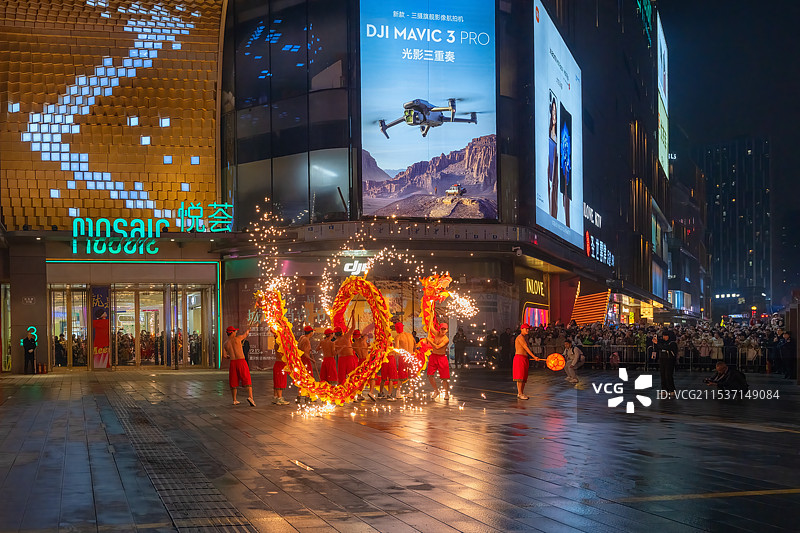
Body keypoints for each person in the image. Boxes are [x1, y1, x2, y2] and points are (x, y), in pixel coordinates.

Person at [223, 326, 255, 406]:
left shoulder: (226, 344)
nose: (236, 332)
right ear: (232, 332)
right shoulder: (238, 338)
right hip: (241, 361)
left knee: (233, 380)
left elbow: (224, 356)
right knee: (247, 378)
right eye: (235, 331)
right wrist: (248, 330)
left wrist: (230, 356)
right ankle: (250, 397)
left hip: (233, 363)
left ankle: (234, 400)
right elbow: (245, 334)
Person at [513, 324, 541, 399]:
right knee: (520, 376)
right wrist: (534, 356)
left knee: (524, 376)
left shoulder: (525, 337)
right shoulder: (520, 337)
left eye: (528, 329)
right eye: (526, 329)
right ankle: (520, 393)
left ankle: (521, 393)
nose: (528, 330)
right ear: (522, 329)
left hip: (524, 358)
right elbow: (525, 347)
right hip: (520, 358)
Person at [427, 322, 451, 400]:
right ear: (439, 329)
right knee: (429, 375)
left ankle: (446, 393)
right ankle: (436, 391)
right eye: (442, 329)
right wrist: (430, 316)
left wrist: (430, 341)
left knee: (444, 378)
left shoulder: (446, 339)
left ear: (447, 330)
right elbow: (430, 327)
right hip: (433, 356)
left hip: (442, 358)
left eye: (445, 329)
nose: (443, 330)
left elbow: (437, 347)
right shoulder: (437, 333)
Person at [392, 322, 416, 399]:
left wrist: (391, 350)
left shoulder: (398, 337)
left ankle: (398, 392)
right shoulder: (410, 335)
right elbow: (415, 345)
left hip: (404, 357)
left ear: (396, 329)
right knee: (411, 375)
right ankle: (411, 392)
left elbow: (397, 348)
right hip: (411, 356)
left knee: (401, 374)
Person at [653, 329, 678, 397]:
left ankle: (672, 390)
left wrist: (657, 343)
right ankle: (664, 390)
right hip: (662, 359)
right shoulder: (662, 342)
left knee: (668, 375)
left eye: (665, 336)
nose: (664, 337)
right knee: (663, 375)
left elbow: (666, 348)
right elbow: (658, 348)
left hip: (669, 360)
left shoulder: (672, 343)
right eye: (663, 335)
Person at [335, 323, 358, 393]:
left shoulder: (337, 341)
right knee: (350, 376)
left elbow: (335, 353)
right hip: (346, 359)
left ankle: (343, 391)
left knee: (345, 377)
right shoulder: (344, 337)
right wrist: (353, 317)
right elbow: (353, 327)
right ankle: (349, 391)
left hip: (344, 359)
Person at [297, 325, 315, 403]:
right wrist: (311, 360)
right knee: (308, 378)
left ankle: (299, 396)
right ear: (310, 333)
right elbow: (304, 353)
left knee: (302, 378)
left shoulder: (302, 337)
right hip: (305, 360)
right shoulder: (306, 340)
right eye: (312, 332)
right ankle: (308, 396)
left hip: (301, 360)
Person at [271, 339, 290, 406]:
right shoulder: (279, 344)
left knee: (277, 381)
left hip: (279, 364)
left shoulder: (277, 344)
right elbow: (281, 356)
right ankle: (279, 398)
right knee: (280, 381)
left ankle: (275, 397)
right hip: (280, 365)